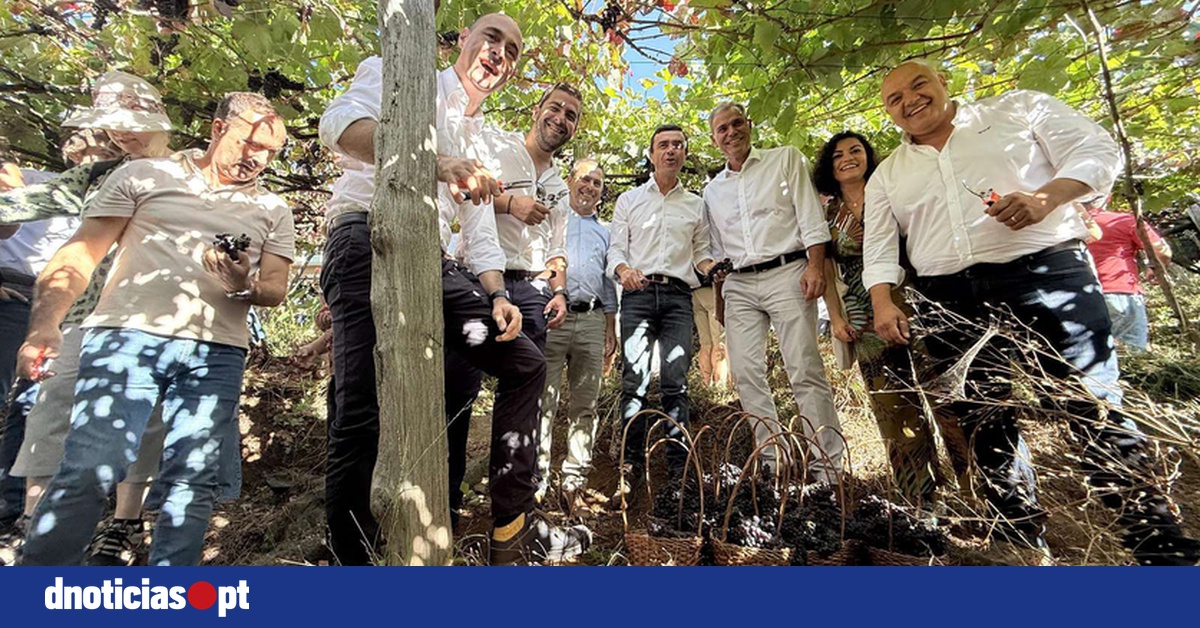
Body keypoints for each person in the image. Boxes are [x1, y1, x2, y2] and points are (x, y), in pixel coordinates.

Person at [863, 59, 1199, 565]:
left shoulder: (1018, 110)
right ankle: (1018, 541)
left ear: (943, 83)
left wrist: (1047, 198)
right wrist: (883, 300)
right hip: (948, 299)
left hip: (1046, 274)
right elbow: (879, 246)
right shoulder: (889, 174)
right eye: (894, 99)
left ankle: (1158, 544)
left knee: (1091, 403)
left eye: (918, 85)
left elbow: (1097, 149)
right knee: (983, 419)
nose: (909, 100)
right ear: (889, 113)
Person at [318, 13, 589, 565]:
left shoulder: (476, 135)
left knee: (525, 363)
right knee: (363, 407)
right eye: (492, 38)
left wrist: (497, 295)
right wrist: (435, 162)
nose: (500, 53)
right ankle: (350, 559)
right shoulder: (400, 76)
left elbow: (480, 228)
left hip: (433, 262)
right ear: (463, 39)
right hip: (368, 235)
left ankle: (511, 528)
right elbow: (338, 128)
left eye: (512, 50)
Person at [17, 92, 293, 566]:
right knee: (91, 466)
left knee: (192, 482)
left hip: (217, 352)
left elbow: (273, 288)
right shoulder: (145, 175)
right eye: (251, 143)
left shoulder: (273, 208)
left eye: (271, 151)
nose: (258, 158)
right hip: (124, 338)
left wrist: (242, 283)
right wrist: (45, 325)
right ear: (217, 129)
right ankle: (37, 585)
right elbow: (80, 253)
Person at [445, 83, 581, 515]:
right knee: (458, 391)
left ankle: (511, 512)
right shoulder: (496, 145)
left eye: (571, 115)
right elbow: (468, 194)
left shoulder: (560, 185)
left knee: (523, 398)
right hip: (480, 282)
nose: (561, 118)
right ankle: (445, 501)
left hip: (534, 291)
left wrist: (559, 291)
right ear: (538, 110)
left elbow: (557, 247)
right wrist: (510, 205)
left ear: (575, 129)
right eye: (555, 108)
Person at [814, 130, 968, 503]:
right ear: (829, 167)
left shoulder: (893, 191)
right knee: (892, 405)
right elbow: (826, 270)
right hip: (862, 314)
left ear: (868, 156)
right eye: (838, 155)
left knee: (946, 395)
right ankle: (921, 499)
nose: (848, 158)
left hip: (915, 299)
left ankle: (976, 491)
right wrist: (835, 317)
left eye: (855, 150)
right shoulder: (826, 213)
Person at [702, 103, 843, 481]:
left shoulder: (785, 160)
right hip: (740, 284)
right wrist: (719, 286)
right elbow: (715, 250)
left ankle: (827, 467)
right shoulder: (712, 190)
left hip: (788, 273)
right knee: (745, 372)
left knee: (804, 368)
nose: (731, 132)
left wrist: (815, 266)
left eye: (736, 123)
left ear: (749, 125)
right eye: (722, 129)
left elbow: (811, 218)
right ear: (714, 140)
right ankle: (773, 461)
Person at [608, 124, 715, 489]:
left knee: (675, 383)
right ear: (651, 154)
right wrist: (624, 271)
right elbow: (616, 250)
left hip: (678, 299)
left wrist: (712, 268)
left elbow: (701, 253)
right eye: (663, 145)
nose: (671, 150)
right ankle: (630, 464)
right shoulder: (629, 200)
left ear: (685, 153)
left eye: (678, 145)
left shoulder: (696, 204)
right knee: (634, 382)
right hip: (637, 297)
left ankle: (678, 468)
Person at [536, 159, 617, 514]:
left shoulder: (606, 232)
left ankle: (574, 482)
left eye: (598, 183)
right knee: (543, 401)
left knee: (586, 405)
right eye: (585, 179)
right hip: (552, 317)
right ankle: (537, 481)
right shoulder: (552, 220)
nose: (590, 187)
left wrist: (611, 328)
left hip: (592, 321)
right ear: (570, 181)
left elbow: (609, 283)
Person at [1084, 197, 1172, 352]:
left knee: (1090, 354)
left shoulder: (1062, 226)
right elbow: (1162, 251)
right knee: (1131, 354)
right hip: (1119, 292)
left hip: (1076, 295)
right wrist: (1155, 269)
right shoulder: (1122, 221)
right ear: (1108, 196)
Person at [691, 273, 729, 388]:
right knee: (719, 345)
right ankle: (720, 388)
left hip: (693, 291)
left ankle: (706, 385)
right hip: (712, 290)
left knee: (705, 344)